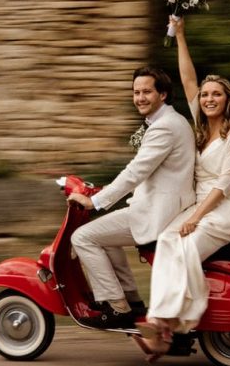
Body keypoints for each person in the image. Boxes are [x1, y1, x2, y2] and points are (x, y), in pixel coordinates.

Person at [132, 16, 230, 361]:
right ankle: (163, 324)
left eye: (217, 95)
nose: (209, 99)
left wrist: (196, 218)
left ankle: (169, 323)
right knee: (167, 240)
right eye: (206, 95)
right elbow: (187, 80)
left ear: (228, 100)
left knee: (184, 247)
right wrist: (180, 35)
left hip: (223, 208)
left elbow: (226, 185)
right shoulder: (200, 126)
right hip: (201, 204)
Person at [67, 66, 196, 329]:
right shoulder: (172, 121)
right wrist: (103, 190)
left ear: (163, 94)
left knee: (82, 237)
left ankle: (117, 305)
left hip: (159, 213)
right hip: (162, 205)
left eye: (147, 91)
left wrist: (96, 202)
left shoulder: (165, 127)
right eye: (136, 92)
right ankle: (131, 299)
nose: (140, 98)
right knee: (104, 236)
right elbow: (147, 171)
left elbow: (137, 171)